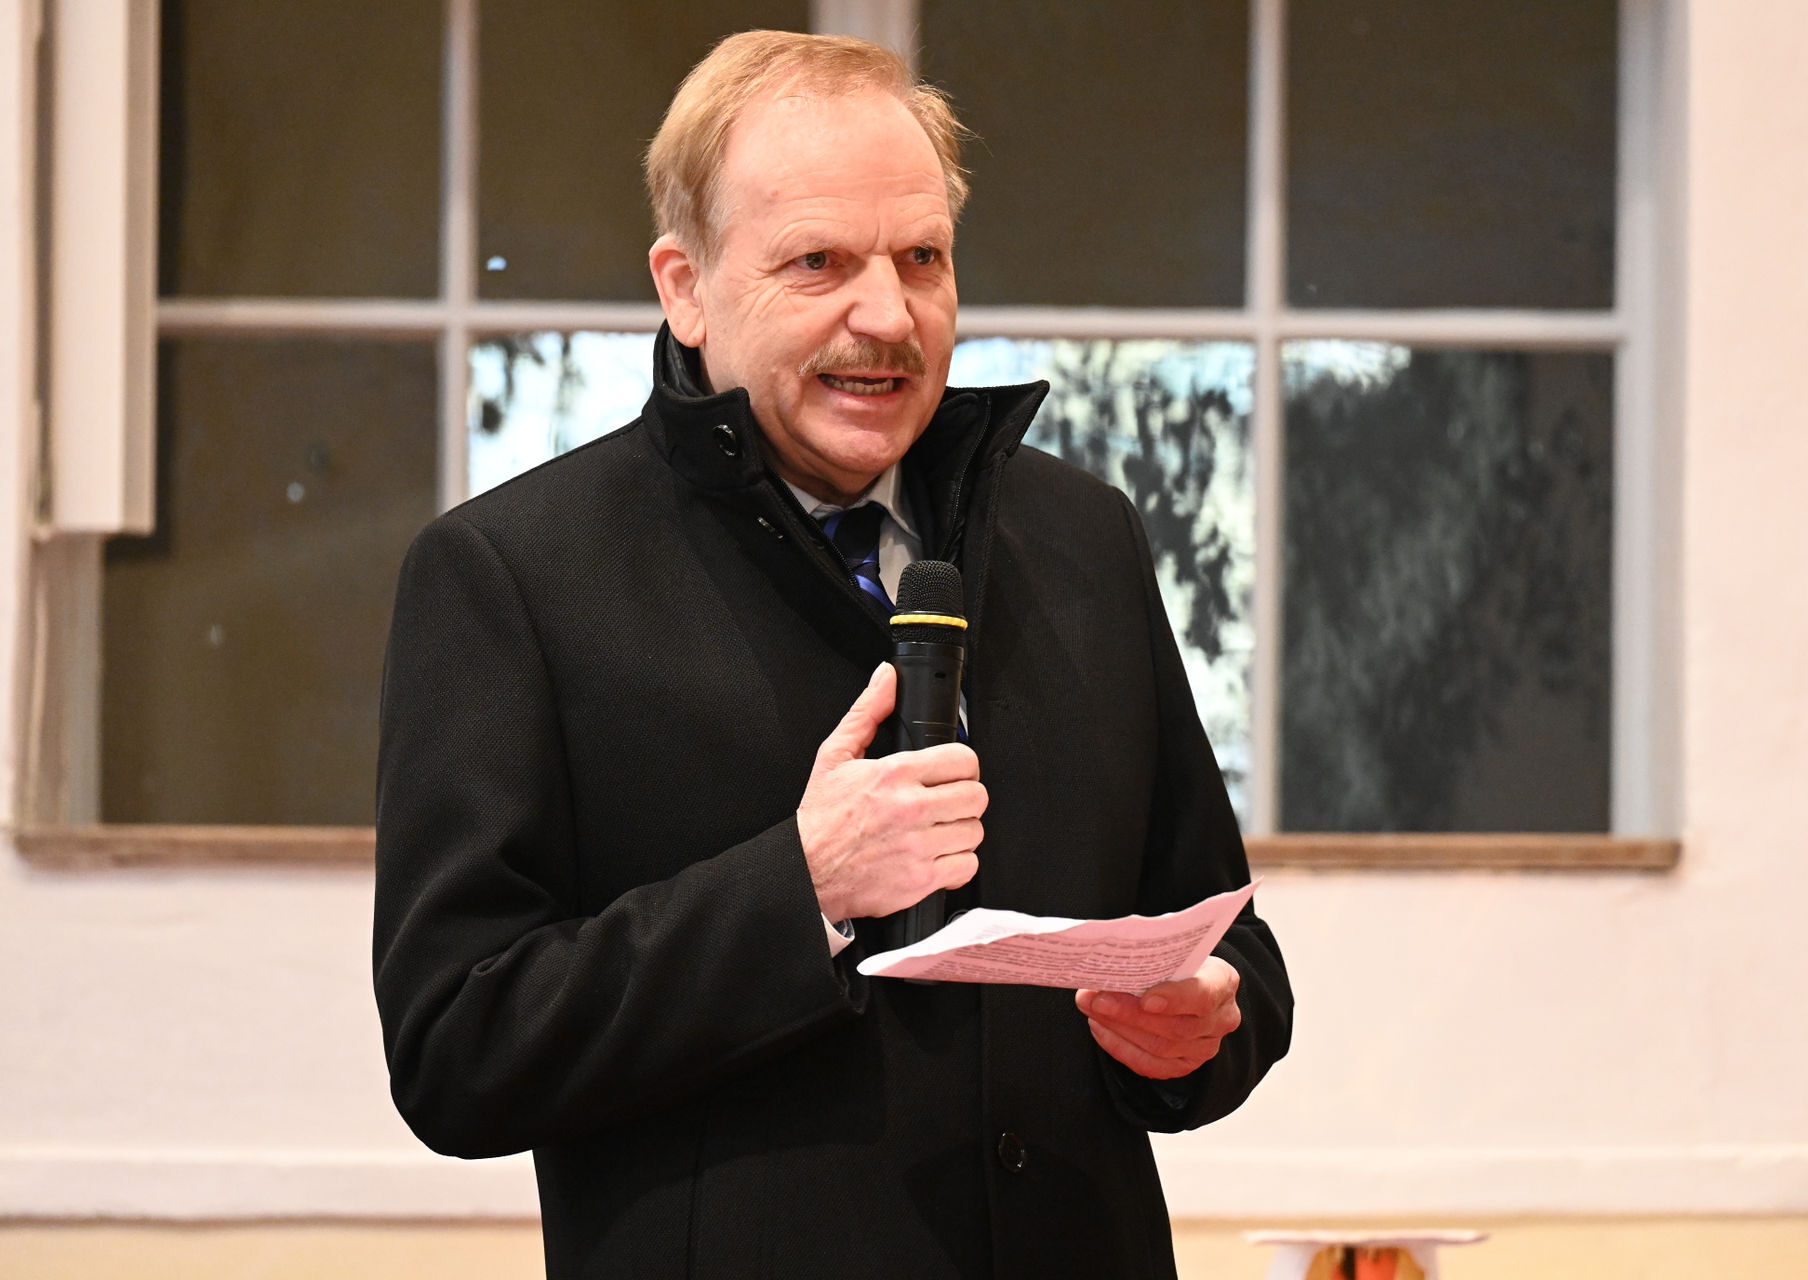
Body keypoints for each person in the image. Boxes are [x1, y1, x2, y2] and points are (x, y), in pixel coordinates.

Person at [373, 29, 1292, 1279]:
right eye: (818, 262)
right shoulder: (512, 577)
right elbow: (456, 1045)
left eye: (922, 258)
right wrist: (800, 887)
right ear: (686, 287)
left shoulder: (1084, 537)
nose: (888, 314)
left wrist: (1203, 1026)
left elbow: (1230, 945)